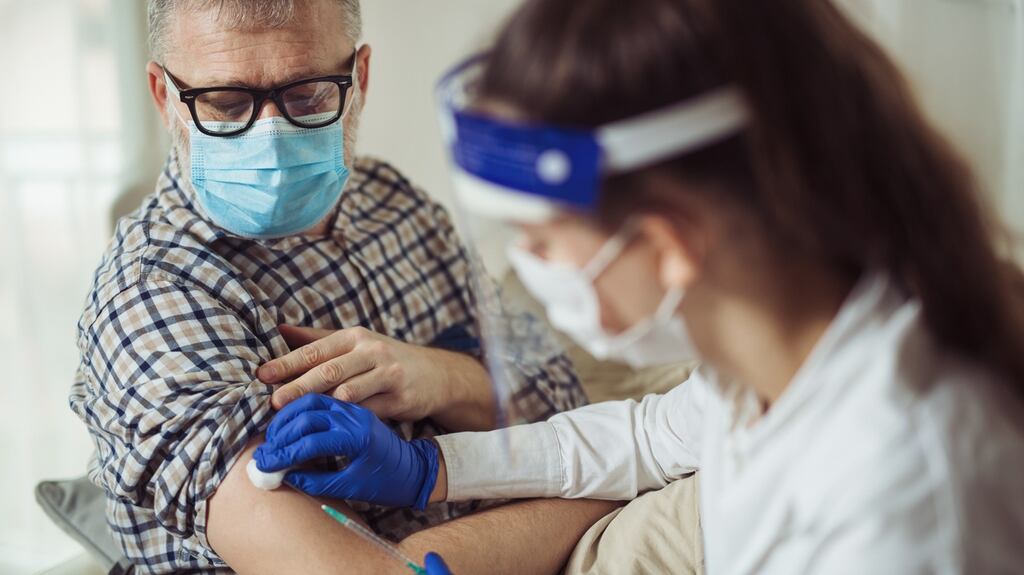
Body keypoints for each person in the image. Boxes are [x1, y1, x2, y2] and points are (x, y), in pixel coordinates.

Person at [255, 0, 1024, 572]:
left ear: (666, 244)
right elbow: (652, 435)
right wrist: (433, 468)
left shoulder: (904, 495)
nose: (528, 261)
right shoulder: (774, 346)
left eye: (544, 239)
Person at [67, 0, 599, 572]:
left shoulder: (393, 205)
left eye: (307, 95)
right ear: (163, 94)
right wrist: (605, 493)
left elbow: (564, 400)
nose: (269, 134)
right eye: (225, 103)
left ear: (359, 79)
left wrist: (439, 376)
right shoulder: (155, 297)